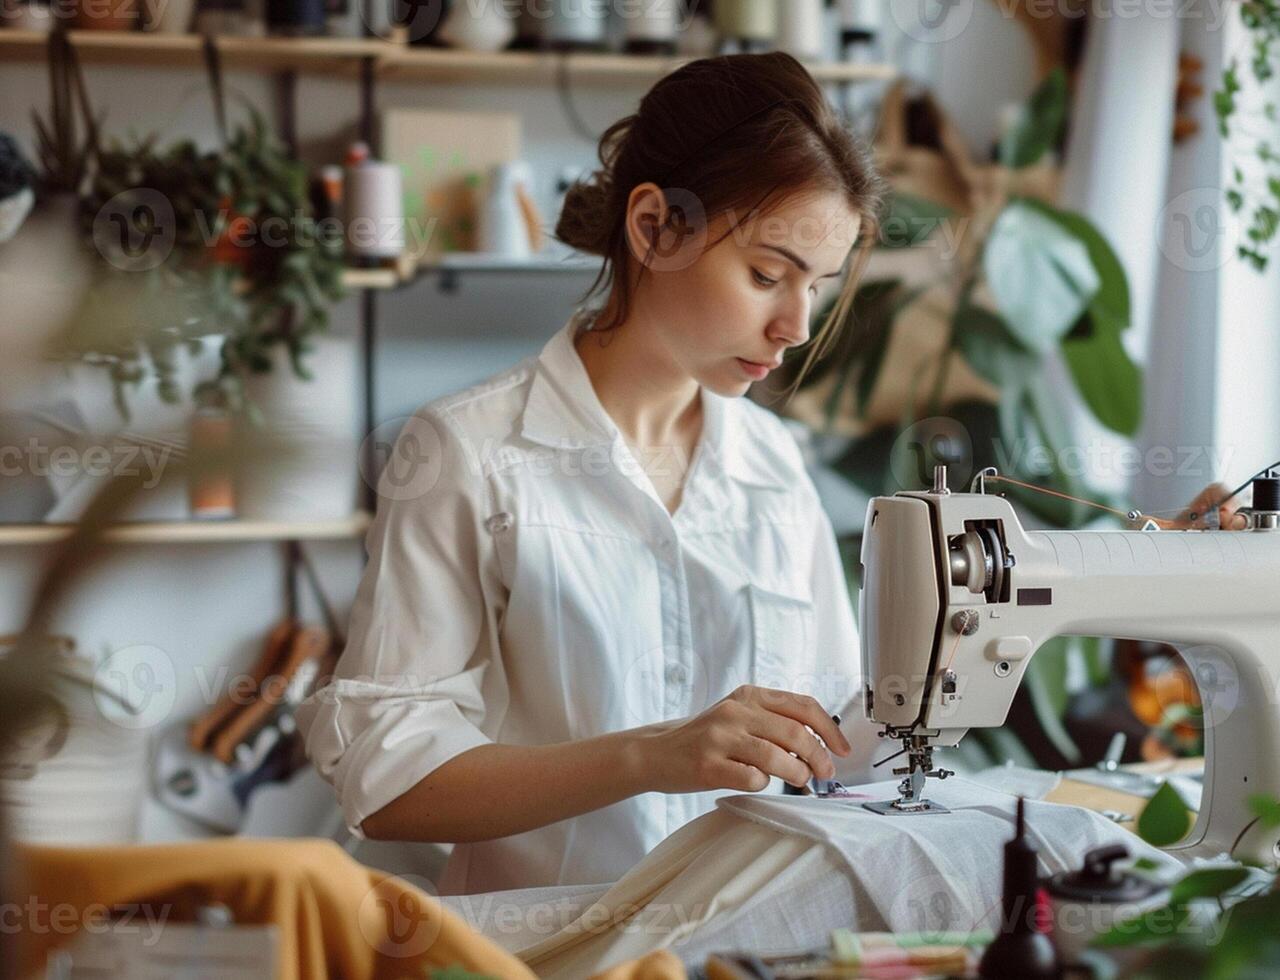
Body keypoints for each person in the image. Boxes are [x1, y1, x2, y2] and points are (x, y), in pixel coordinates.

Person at [298, 52, 888, 895]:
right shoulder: (465, 455)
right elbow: (388, 781)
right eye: (766, 275)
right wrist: (651, 757)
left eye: (818, 287)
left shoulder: (771, 464)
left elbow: (840, 742)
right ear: (653, 228)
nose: (795, 324)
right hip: (551, 952)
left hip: (744, 949)